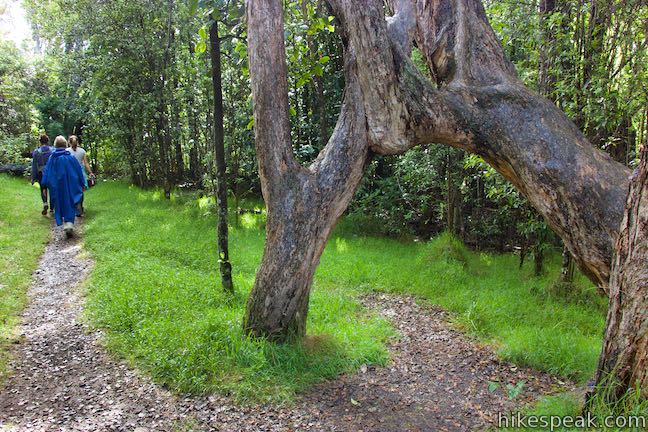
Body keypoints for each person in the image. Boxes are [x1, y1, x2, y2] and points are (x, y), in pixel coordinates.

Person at [41, 136, 85, 238]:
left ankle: (64, 220)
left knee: (59, 202)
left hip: (57, 185)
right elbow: (78, 170)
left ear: (55, 145)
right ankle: (69, 223)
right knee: (70, 201)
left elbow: (47, 171)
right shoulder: (70, 157)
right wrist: (82, 183)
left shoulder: (52, 158)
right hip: (70, 183)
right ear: (65, 145)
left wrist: (44, 184)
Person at [67, 135, 93, 216]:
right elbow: (86, 163)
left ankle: (76, 207)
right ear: (77, 141)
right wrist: (90, 172)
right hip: (81, 173)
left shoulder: (66, 151)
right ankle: (80, 206)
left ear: (69, 142)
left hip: (71, 173)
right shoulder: (82, 151)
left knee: (72, 190)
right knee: (81, 190)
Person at [31, 134, 53, 215]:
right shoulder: (52, 150)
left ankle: (45, 203)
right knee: (52, 189)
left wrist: (33, 178)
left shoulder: (37, 152)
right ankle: (52, 207)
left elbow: (34, 166)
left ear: (40, 142)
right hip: (51, 173)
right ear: (48, 141)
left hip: (41, 173)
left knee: (43, 188)